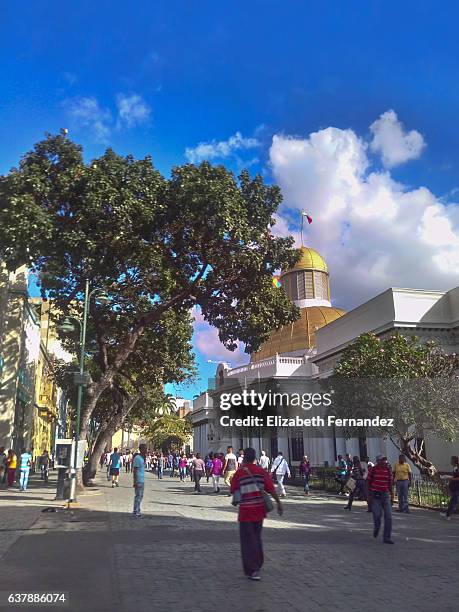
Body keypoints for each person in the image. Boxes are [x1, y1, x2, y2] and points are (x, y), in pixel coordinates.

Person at [231, 447, 283, 581]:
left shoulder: (240, 473)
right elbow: (271, 489)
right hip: (259, 511)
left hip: (246, 511)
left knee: (248, 540)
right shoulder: (261, 472)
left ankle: (252, 568)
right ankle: (257, 564)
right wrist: (279, 504)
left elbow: (233, 489)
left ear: (244, 458)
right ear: (255, 458)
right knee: (257, 538)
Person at [367, 454, 394, 544]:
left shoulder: (387, 470)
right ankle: (377, 527)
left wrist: (392, 495)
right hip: (376, 495)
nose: (384, 462)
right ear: (378, 461)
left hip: (385, 495)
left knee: (389, 516)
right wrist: (368, 495)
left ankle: (387, 537)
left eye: (384, 460)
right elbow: (368, 481)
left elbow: (390, 483)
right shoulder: (373, 469)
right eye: (382, 460)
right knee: (377, 515)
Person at [132, 443, 147, 518]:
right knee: (138, 496)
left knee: (140, 496)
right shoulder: (137, 458)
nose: (146, 450)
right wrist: (135, 481)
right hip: (138, 479)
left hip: (142, 479)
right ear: (141, 449)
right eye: (145, 449)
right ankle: (136, 511)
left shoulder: (141, 457)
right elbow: (135, 470)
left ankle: (137, 509)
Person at [445, 455, 459, 520]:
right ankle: (448, 514)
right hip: (454, 487)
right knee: (453, 501)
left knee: (453, 501)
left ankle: (448, 514)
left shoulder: (456, 468)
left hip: (456, 487)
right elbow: (454, 477)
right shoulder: (455, 468)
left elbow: (457, 478)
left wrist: (448, 477)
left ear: (454, 461)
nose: (450, 461)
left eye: (451, 460)